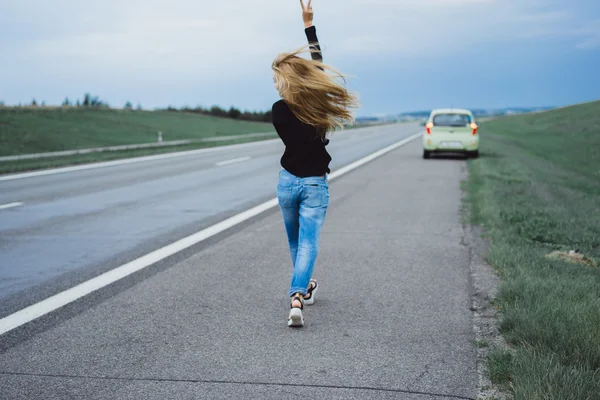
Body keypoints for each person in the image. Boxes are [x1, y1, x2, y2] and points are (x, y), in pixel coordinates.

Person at [272, 0, 359, 327]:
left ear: (284, 81)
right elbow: (318, 69)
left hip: (286, 182)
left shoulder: (278, 111)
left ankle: (305, 286)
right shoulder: (318, 108)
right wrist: (310, 28)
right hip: (313, 185)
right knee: (308, 243)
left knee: (296, 243)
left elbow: (311, 78)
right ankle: (297, 296)